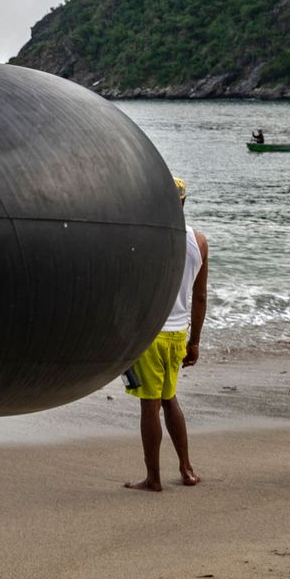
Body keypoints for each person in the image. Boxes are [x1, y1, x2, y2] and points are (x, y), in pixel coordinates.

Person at [124, 177, 208, 492]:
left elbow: (130, 290)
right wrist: (195, 340)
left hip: (150, 333)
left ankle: (154, 479)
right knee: (170, 399)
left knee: (150, 405)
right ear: (184, 202)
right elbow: (200, 297)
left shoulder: (145, 239)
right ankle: (186, 470)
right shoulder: (198, 241)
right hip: (177, 334)